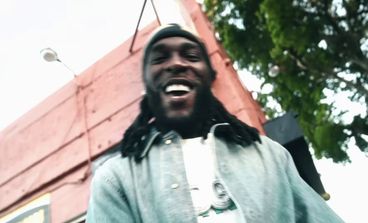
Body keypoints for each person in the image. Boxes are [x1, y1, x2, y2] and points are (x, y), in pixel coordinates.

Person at [86, 24, 344, 223]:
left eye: (190, 55)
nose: (176, 63)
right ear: (147, 83)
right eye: (160, 58)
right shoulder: (114, 179)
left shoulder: (271, 156)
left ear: (209, 77)